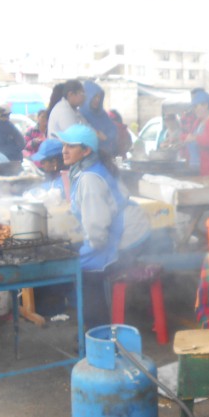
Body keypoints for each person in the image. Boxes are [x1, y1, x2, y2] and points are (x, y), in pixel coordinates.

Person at [55, 123, 151, 329]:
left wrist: (89, 250)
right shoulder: (93, 167)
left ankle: (98, 332)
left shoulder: (90, 179)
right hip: (125, 228)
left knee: (88, 272)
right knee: (83, 261)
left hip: (127, 236)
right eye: (64, 145)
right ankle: (95, 327)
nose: (64, 150)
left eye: (70, 146)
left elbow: (97, 227)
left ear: (86, 150)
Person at [79, 81, 120, 156]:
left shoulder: (103, 115)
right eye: (94, 97)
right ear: (87, 96)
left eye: (99, 97)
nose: (97, 100)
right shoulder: (81, 115)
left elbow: (113, 130)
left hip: (107, 156)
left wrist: (106, 138)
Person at [180, 88, 209, 168]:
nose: (195, 107)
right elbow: (184, 136)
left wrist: (195, 138)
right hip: (193, 162)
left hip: (205, 165)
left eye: (196, 104)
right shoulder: (197, 121)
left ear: (205, 105)